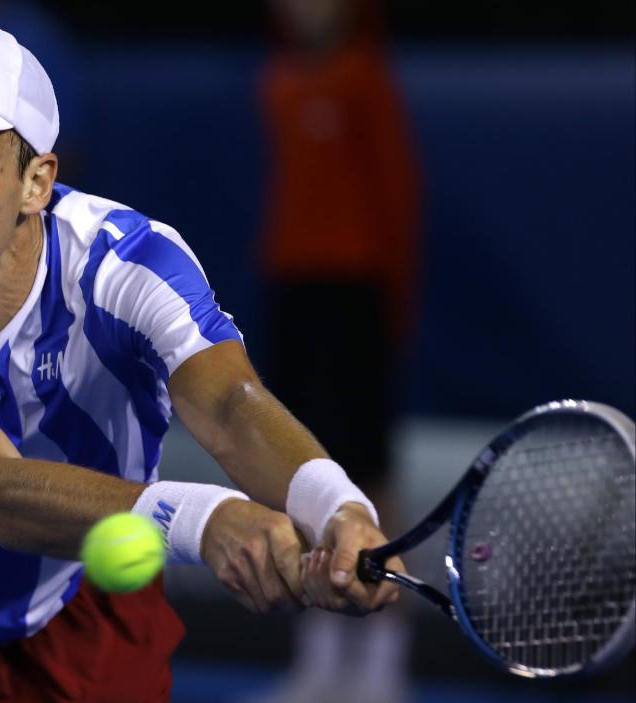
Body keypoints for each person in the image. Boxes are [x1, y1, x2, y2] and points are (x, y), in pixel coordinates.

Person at [0, 19, 403, 703]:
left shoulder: (132, 263)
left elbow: (227, 402)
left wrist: (335, 505)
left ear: (36, 181)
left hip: (83, 608)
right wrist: (204, 518)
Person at [252, 1, 420, 701]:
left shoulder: (367, 81)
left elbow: (399, 200)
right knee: (298, 471)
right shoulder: (278, 80)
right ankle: (317, 660)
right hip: (293, 292)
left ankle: (382, 664)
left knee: (368, 478)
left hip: (354, 299)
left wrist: (392, 310)